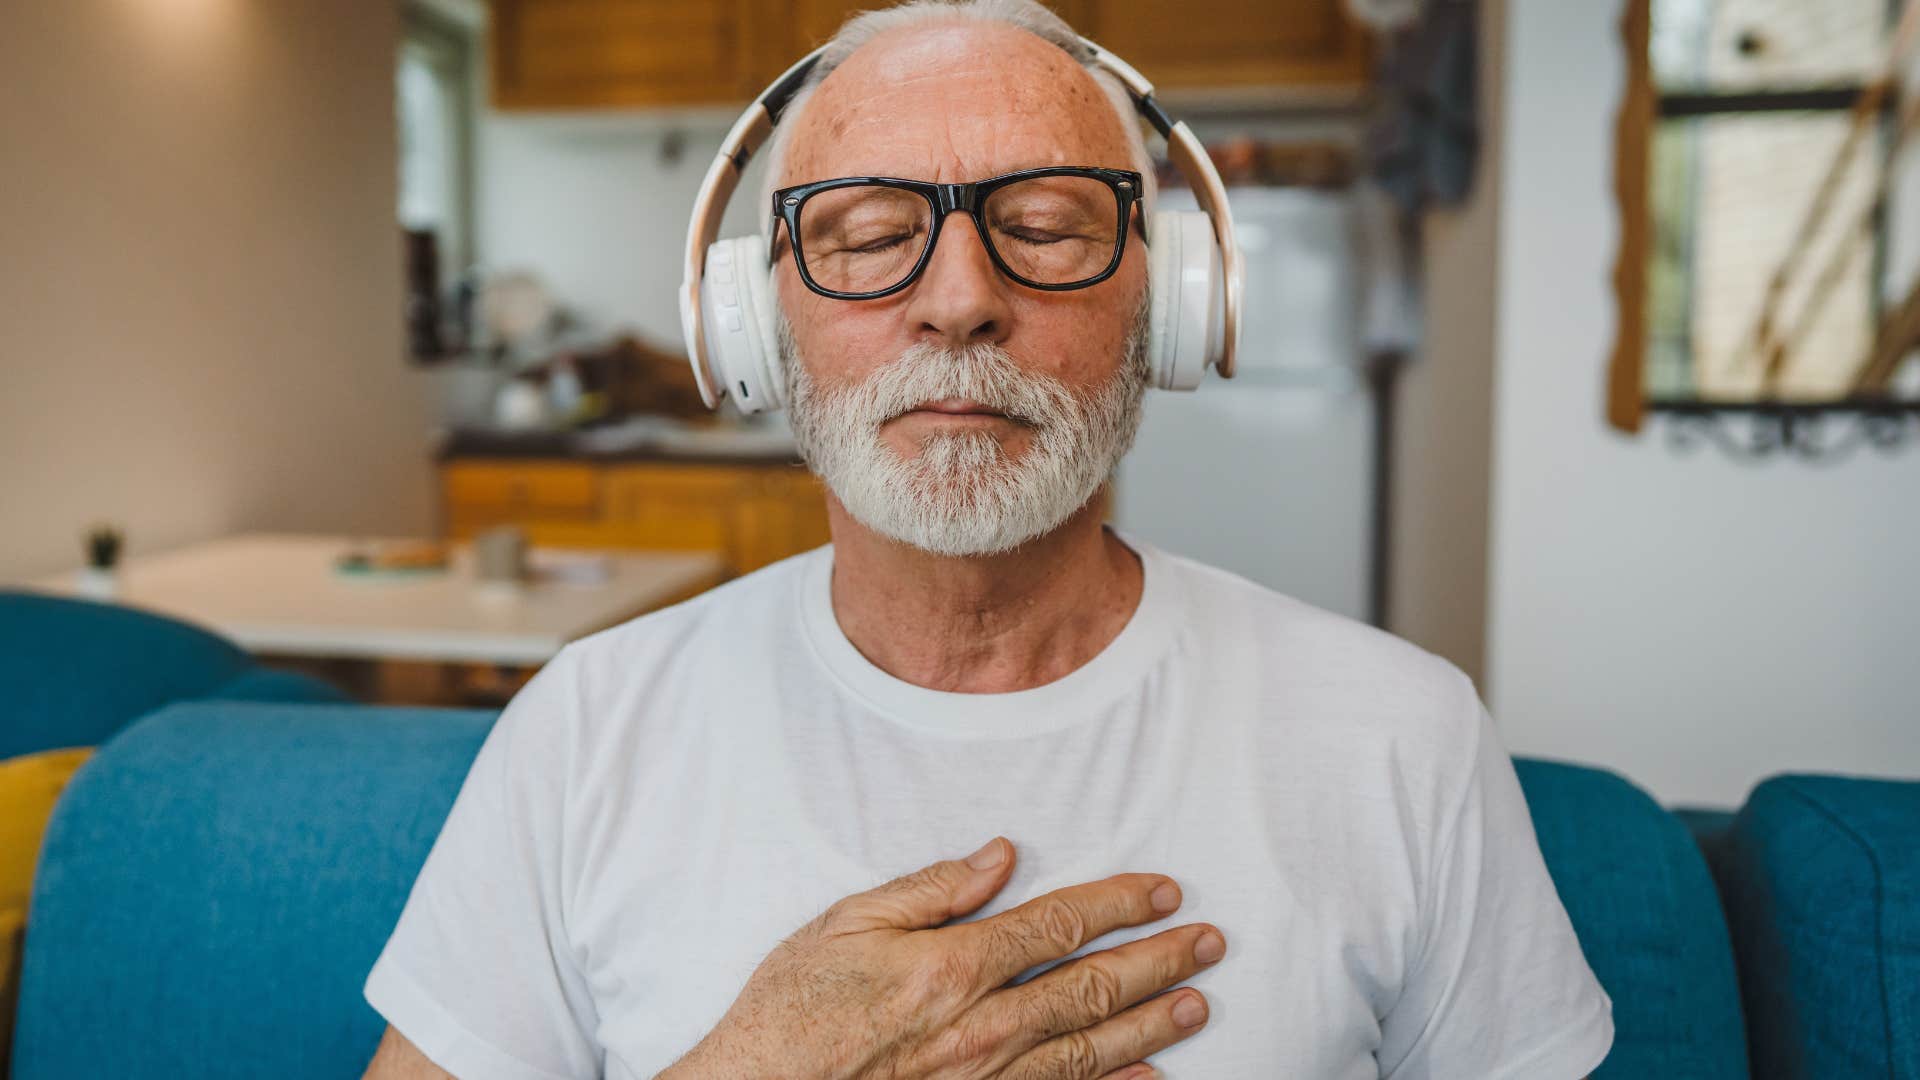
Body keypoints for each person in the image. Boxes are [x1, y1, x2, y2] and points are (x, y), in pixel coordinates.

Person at [361, 2, 1613, 1077]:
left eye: (1050, 227)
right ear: (754, 325)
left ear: (1169, 304)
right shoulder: (586, 730)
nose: (959, 301)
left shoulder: (1405, 735)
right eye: (866, 237)